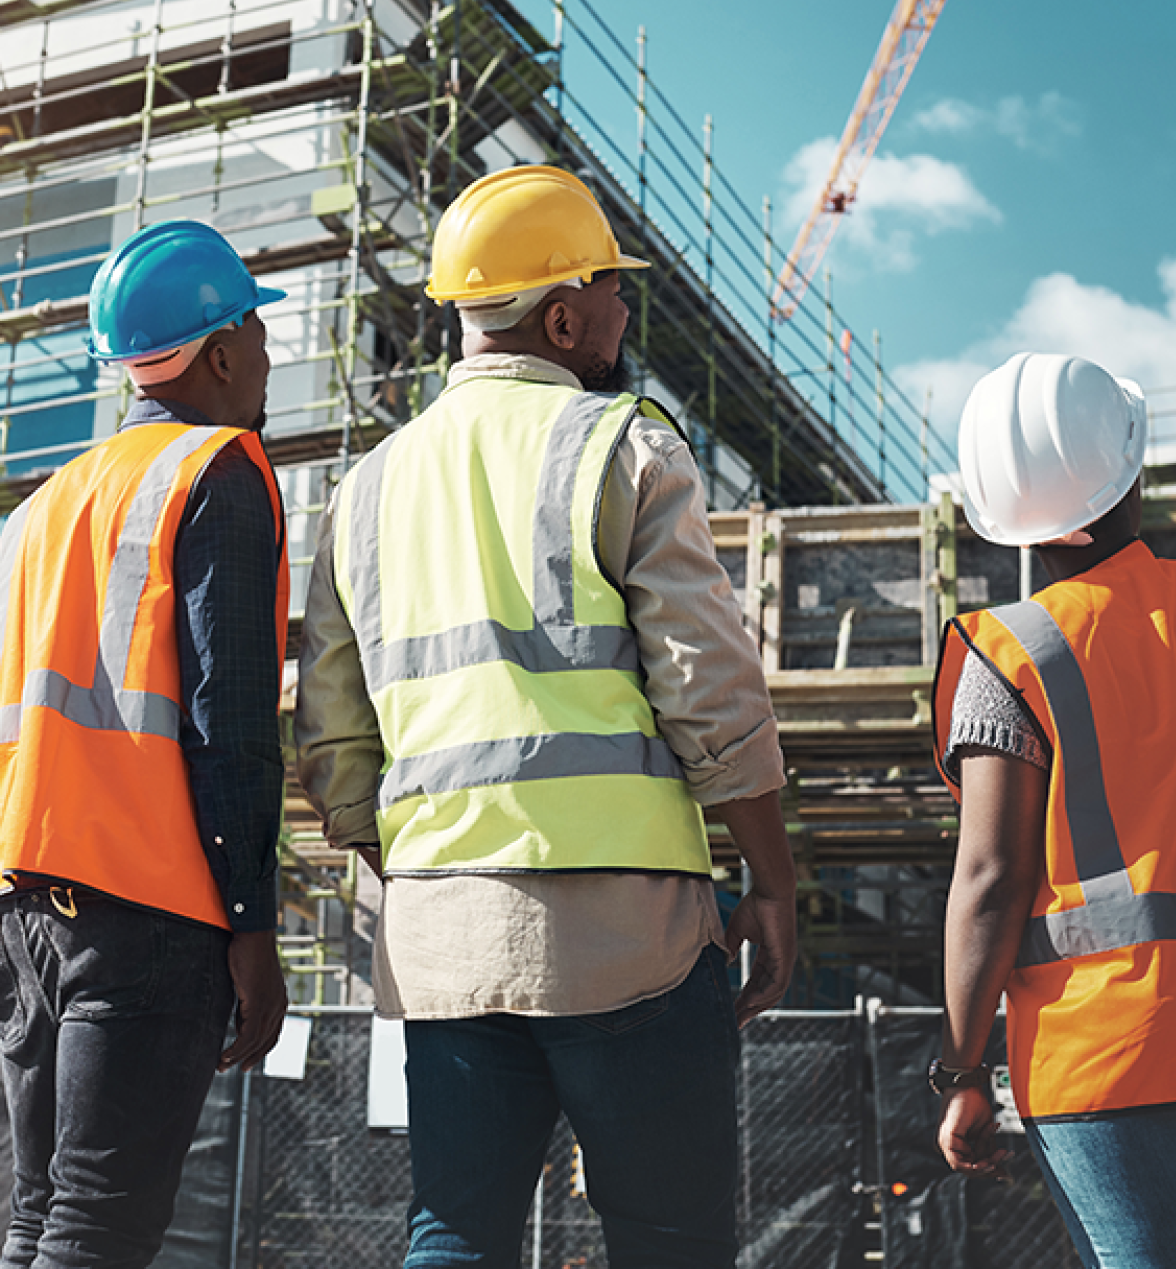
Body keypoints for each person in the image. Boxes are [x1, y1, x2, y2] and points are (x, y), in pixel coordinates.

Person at [296, 163, 797, 1268]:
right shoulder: (620, 445)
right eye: (616, 288)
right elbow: (707, 688)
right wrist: (770, 877)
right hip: (629, 939)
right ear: (562, 315)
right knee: (667, 1237)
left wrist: (417, 874)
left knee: (455, 1233)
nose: (625, 309)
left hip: (440, 938)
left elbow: (333, 739)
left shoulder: (365, 490)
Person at [931, 350, 1176, 1269]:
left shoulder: (1012, 652)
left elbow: (990, 882)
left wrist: (964, 1073)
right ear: (1134, 473)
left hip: (1108, 1058)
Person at [0, 221, 290, 1267]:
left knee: (37, 1218)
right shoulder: (217, 468)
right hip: (151, 906)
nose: (267, 351)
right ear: (217, 351)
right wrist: (252, 924)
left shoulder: (40, 511)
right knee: (98, 1225)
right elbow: (232, 721)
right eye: (256, 326)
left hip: (27, 907)